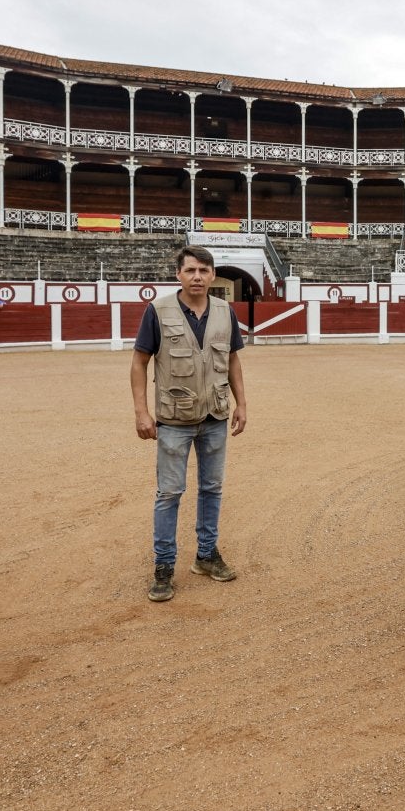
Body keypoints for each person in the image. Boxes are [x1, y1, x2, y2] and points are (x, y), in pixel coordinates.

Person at [130, 246, 247, 602]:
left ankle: (206, 555)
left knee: (212, 487)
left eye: (204, 270)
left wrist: (243, 403)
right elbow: (139, 363)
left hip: (215, 415)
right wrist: (141, 412)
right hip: (173, 417)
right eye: (191, 270)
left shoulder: (225, 311)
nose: (197, 276)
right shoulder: (158, 310)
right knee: (169, 493)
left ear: (213, 276)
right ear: (179, 274)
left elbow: (233, 362)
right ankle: (164, 565)